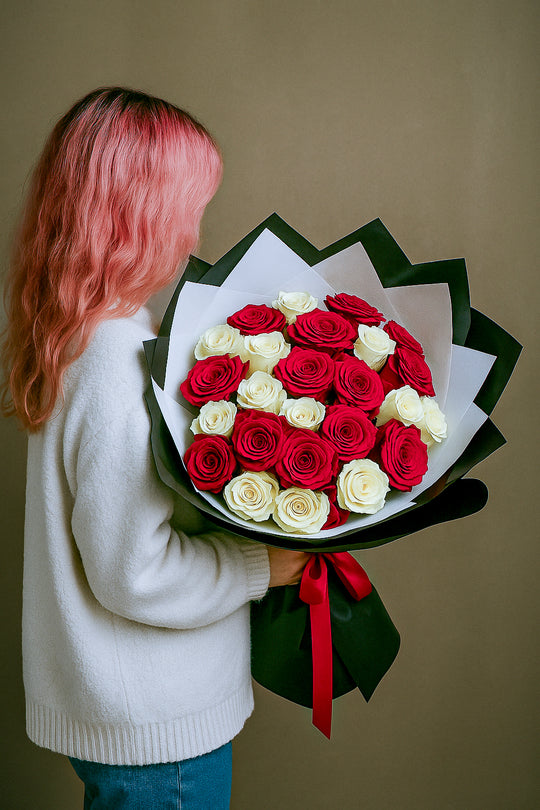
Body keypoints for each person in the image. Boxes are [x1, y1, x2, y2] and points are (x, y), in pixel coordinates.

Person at [1, 87, 308, 809]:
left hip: (126, 713)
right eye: (189, 210)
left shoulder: (78, 334)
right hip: (157, 732)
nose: (195, 238)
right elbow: (133, 572)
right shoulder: (117, 357)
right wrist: (258, 564)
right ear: (138, 215)